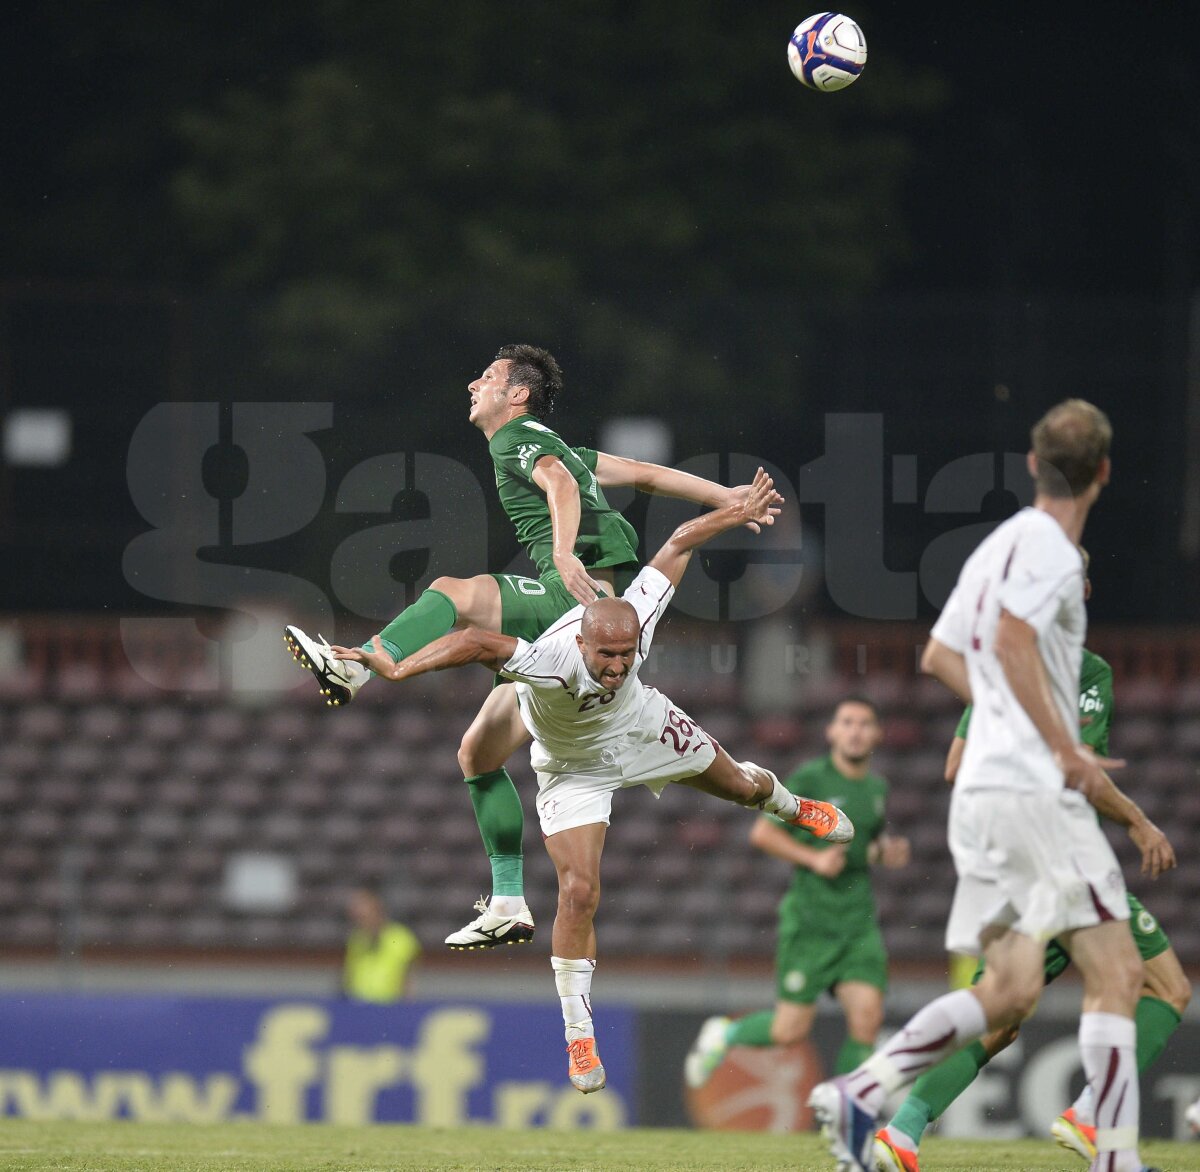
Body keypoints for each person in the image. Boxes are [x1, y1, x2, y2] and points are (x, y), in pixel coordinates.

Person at [333, 468, 854, 1093]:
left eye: (625, 655)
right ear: (581, 641)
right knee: (579, 891)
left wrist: (734, 513)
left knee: (744, 788)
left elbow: (679, 543)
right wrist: (396, 668)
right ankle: (579, 1036)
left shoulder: (633, 618)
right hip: (573, 768)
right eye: (604, 655)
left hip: (644, 728)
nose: (615, 664)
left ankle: (795, 807)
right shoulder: (550, 659)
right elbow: (474, 641)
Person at [285, 345, 769, 949]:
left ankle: (354, 670)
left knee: (452, 593)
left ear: (515, 395)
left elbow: (560, 485)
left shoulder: (514, 439)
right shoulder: (555, 442)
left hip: (576, 609)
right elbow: (644, 475)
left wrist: (564, 555)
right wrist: (724, 496)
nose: (472, 385)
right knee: (477, 756)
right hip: (585, 614)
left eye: (486, 378)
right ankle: (510, 901)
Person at [808, 399, 1158, 1172]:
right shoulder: (1057, 555)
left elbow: (939, 656)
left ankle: (863, 1090)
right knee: (1120, 971)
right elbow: (1011, 638)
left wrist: (1002, 720)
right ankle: (1118, 1157)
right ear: (1103, 473)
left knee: (1010, 989)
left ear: (1033, 465)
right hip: (1036, 793)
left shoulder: (998, 543)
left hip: (984, 798)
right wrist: (1060, 744)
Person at [874, 633, 1187, 1171]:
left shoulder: (999, 668)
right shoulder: (1086, 671)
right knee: (1166, 986)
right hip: (1063, 856)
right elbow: (1079, 767)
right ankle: (1096, 1118)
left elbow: (954, 767)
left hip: (1007, 861)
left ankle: (901, 1132)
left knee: (1001, 1015)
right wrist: (1138, 821)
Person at [684, 696, 910, 1090]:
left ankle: (846, 1111)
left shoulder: (878, 787)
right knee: (789, 1030)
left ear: (876, 735)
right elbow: (763, 833)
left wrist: (882, 853)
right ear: (833, 732)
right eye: (847, 722)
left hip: (857, 923)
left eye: (864, 724)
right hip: (811, 922)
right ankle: (725, 1034)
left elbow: (862, 846)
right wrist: (813, 859)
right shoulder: (811, 778)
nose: (855, 731)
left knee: (868, 1017)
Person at [342, 887, 421, 1003]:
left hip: (390, 1007)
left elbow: (410, 978)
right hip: (358, 1007)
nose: (361, 921)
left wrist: (406, 1005)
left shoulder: (401, 938)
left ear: (377, 910)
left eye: (364, 916)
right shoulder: (356, 939)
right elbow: (349, 974)